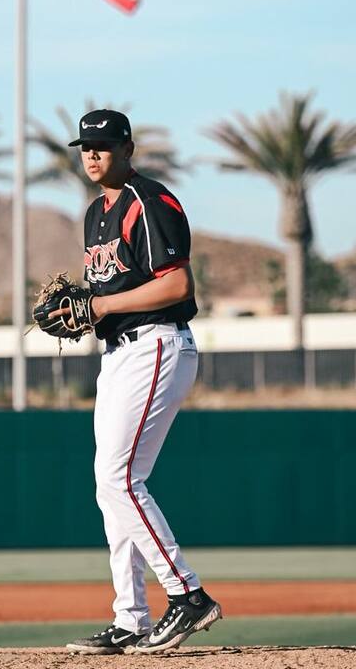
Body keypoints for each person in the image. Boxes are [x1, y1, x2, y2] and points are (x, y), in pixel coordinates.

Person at [55, 109, 222, 655]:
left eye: (103, 145)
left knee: (118, 478)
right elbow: (111, 294)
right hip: (119, 352)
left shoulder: (150, 201)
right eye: (86, 146)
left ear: (128, 148)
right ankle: (130, 617)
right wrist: (85, 314)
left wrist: (99, 303)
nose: (93, 155)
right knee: (113, 488)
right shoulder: (94, 213)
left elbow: (175, 284)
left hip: (157, 343)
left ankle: (187, 595)